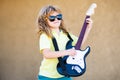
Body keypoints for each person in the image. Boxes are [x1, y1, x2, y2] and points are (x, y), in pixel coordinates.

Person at [36, 5, 93, 80]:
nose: (56, 19)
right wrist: (67, 52)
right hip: (47, 76)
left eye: (58, 16)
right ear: (44, 20)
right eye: (52, 18)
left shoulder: (66, 34)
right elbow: (47, 54)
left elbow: (78, 44)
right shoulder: (45, 35)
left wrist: (88, 28)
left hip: (65, 74)